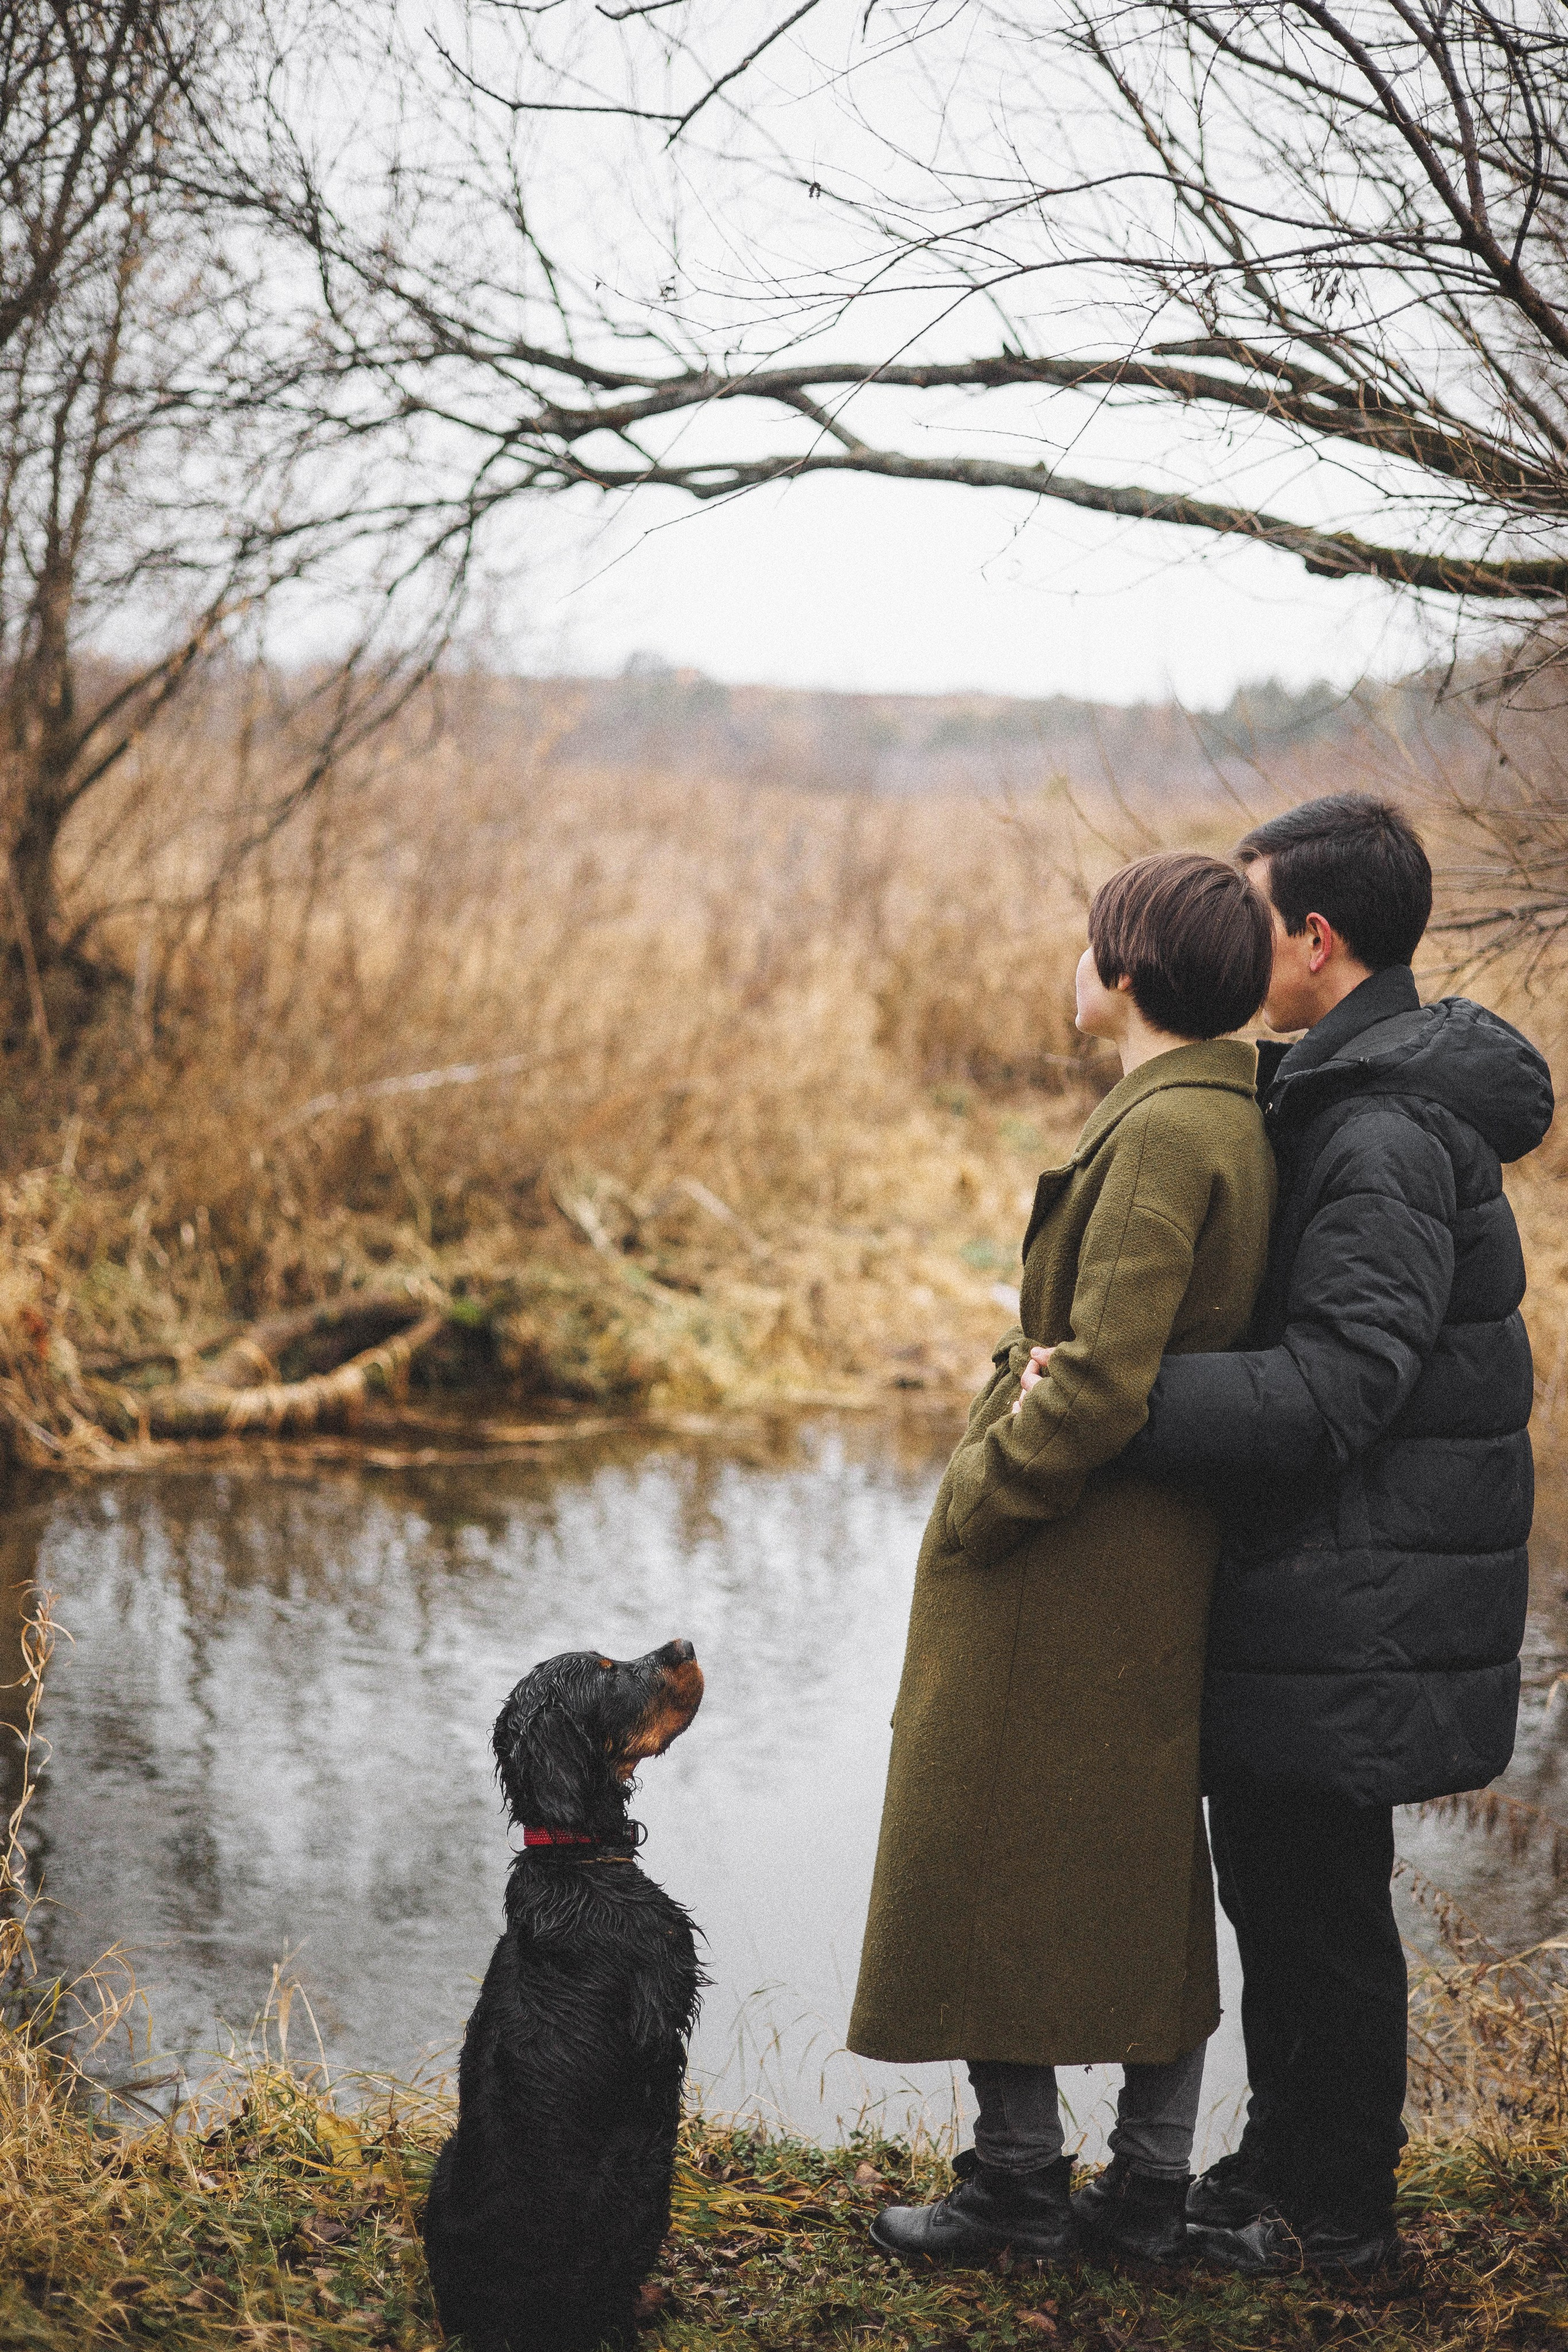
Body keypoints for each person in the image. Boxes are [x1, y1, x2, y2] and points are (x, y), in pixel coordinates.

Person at [1116, 794, 1553, 2278]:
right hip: (1333, 1584)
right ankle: (1276, 2167)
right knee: (1285, 1896)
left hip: (1353, 1595)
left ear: (1313, 938)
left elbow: (1340, 1383)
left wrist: (1124, 1400)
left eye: (1249, 914)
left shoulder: (1376, 1124)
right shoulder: (1342, 1087)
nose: (1232, 941)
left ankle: (1342, 2223)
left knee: (1317, 1920)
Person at [849, 850, 1276, 2269]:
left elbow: (1097, 1380)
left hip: (1068, 1553)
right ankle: (1130, 2190)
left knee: (984, 1839)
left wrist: (979, 1494)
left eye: (1086, 944)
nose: (1071, 964)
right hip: (1133, 1555)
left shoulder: (1163, 1133)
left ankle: (1021, 2188)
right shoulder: (1210, 1110)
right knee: (1135, 1858)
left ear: (1128, 976)